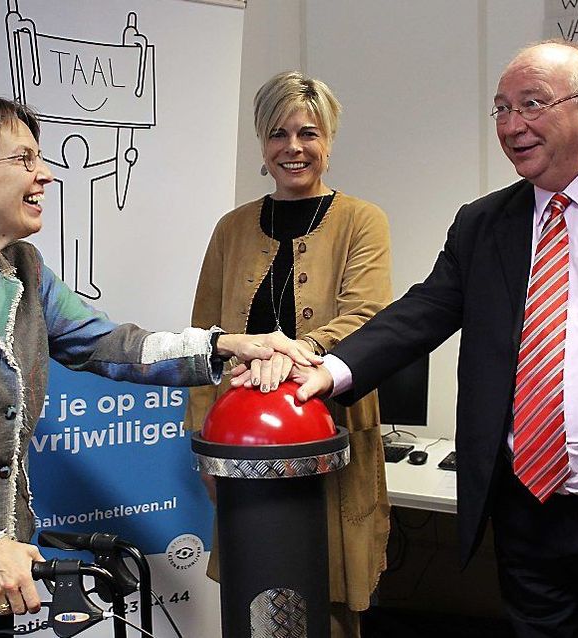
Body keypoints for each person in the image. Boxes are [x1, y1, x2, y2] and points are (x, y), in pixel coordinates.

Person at [287, 41, 578, 636]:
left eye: (531, 105)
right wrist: (329, 369)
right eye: (501, 110)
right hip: (526, 513)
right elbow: (421, 312)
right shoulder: (483, 222)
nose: (512, 126)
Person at [0, 96, 313, 638]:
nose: (46, 174)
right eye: (24, 160)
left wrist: (224, 348)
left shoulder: (24, 270)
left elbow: (107, 344)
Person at [185, 71, 393, 637]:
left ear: (328, 140)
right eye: (278, 134)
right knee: (257, 595)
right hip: (241, 443)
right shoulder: (230, 229)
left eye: (308, 133)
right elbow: (205, 336)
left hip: (332, 434)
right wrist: (202, 438)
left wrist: (295, 352)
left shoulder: (362, 221)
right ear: (261, 142)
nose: (293, 148)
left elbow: (366, 316)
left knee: (328, 598)